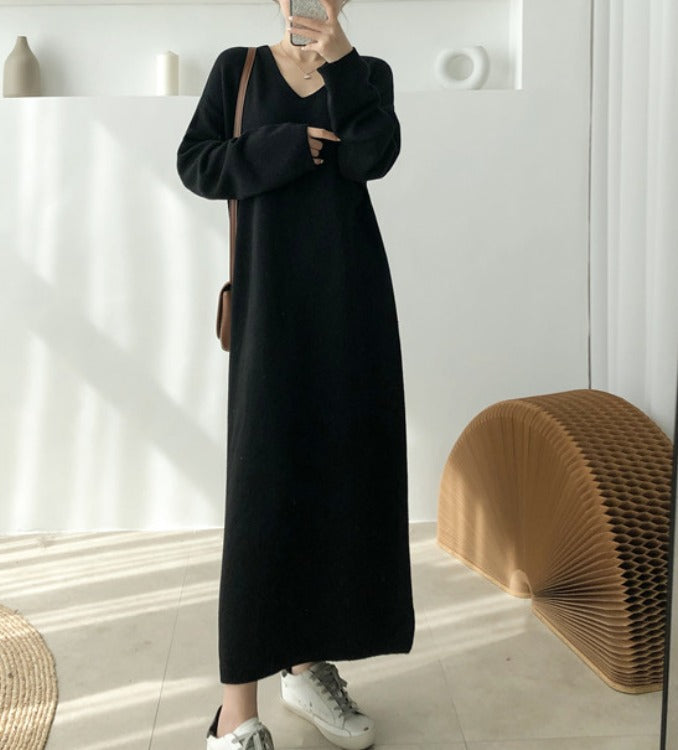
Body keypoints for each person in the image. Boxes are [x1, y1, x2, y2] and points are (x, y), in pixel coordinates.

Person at [176, 0, 415, 747]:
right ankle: (234, 716)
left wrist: (341, 65)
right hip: (269, 311)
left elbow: (371, 158)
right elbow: (197, 163)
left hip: (350, 305)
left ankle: (306, 670)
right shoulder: (238, 69)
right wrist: (285, 146)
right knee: (263, 488)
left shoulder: (367, 74)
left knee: (336, 478)